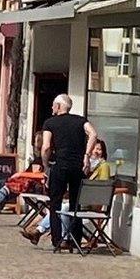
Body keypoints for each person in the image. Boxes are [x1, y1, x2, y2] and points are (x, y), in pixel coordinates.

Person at [40, 92, 98, 253]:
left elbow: (45, 147)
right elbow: (93, 134)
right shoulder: (80, 120)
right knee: (75, 204)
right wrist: (86, 155)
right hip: (77, 166)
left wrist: (46, 166)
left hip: (60, 165)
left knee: (55, 204)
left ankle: (57, 240)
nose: (52, 107)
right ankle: (75, 239)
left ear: (58, 106)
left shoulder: (50, 123)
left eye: (53, 105)